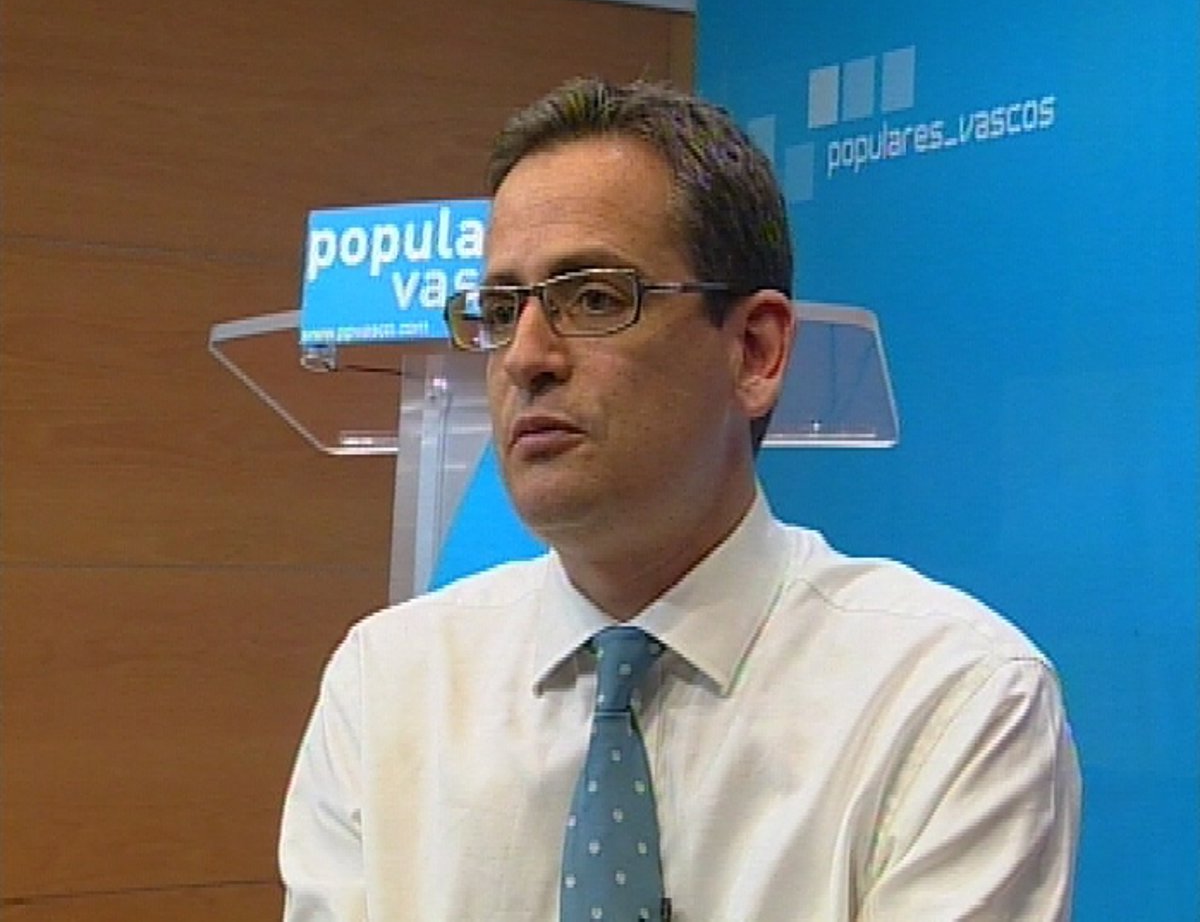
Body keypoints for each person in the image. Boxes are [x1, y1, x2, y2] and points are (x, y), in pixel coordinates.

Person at [279, 77, 1081, 921]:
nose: (525, 358)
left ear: (755, 352)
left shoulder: (949, 698)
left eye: (594, 298)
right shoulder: (390, 682)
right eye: (502, 309)